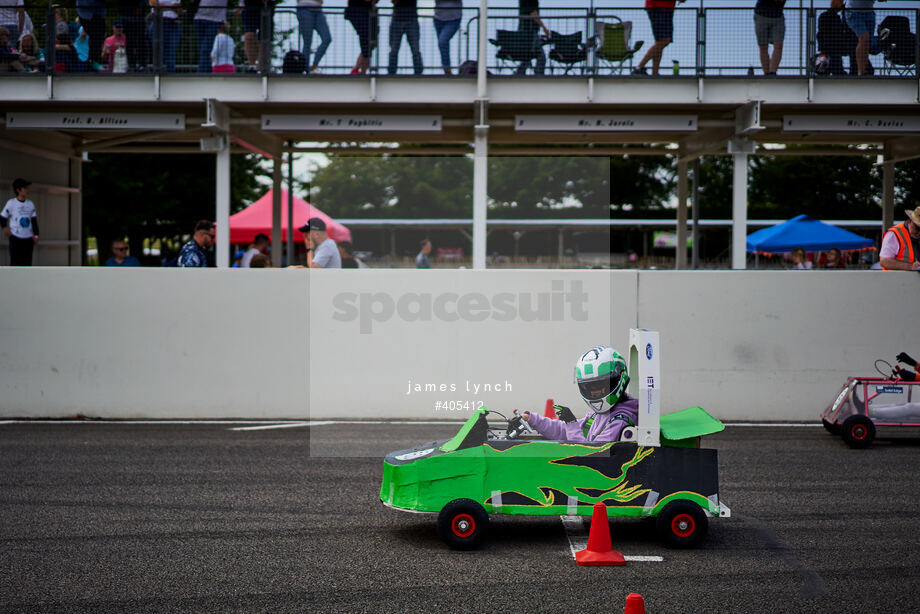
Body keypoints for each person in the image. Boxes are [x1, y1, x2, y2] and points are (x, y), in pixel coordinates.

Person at [520, 346, 639, 443]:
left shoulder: (620, 420)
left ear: (618, 380)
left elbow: (589, 456)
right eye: (589, 387)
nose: (594, 392)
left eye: (600, 386)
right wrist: (531, 419)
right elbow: (564, 431)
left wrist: (571, 423)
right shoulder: (600, 415)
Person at [832, 0, 885, 77]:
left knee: (867, 42)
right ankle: (860, 71)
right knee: (864, 37)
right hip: (853, 12)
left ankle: (864, 68)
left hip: (869, 12)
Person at [633, 0, 685, 76]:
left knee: (660, 41)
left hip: (663, 8)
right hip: (659, 7)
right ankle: (639, 67)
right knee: (664, 40)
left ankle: (654, 71)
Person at [1, 178, 38, 266]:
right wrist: (5, 228)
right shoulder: (11, 203)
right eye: (25, 188)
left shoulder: (30, 204)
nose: (27, 190)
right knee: (15, 263)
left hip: (28, 239)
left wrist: (36, 235)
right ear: (18, 190)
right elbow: (2, 217)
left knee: (27, 264)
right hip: (16, 238)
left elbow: (34, 221)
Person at [879, 207, 920, 271]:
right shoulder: (894, 234)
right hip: (894, 279)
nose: (919, 232)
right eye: (917, 228)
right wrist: (910, 267)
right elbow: (884, 261)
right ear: (910, 221)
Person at [388, 0, 422, 75]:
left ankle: (418, 73)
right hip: (397, 19)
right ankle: (391, 73)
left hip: (411, 19)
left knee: (415, 49)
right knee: (394, 49)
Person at [235, 0, 271, 72]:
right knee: (249, 36)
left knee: (264, 40)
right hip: (249, 7)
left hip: (265, 7)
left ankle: (261, 68)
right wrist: (240, 5)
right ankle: (252, 66)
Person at [515, 0, 549, 76]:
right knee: (539, 55)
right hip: (530, 33)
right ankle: (538, 73)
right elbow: (533, 14)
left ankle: (520, 72)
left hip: (526, 32)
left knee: (528, 54)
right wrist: (544, 28)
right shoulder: (531, 2)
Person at [297, 0, 331, 74]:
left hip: (318, 10)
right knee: (307, 42)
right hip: (304, 8)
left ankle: (314, 65)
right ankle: (306, 69)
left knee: (327, 38)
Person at [195, 0, 228, 73]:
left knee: (205, 49)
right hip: (199, 17)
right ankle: (207, 72)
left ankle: (201, 74)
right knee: (203, 50)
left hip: (215, 19)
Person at [345, 0, 378, 75]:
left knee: (370, 44)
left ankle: (358, 69)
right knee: (366, 43)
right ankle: (359, 70)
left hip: (368, 13)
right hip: (358, 12)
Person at [149, 0, 182, 73]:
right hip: (158, 23)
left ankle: (170, 74)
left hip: (173, 24)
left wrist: (163, 6)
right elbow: (154, 4)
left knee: (171, 54)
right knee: (158, 52)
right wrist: (172, 7)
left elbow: (179, 10)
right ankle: (157, 72)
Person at [754, 0, 785, 75]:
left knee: (778, 45)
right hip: (761, 15)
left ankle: (772, 72)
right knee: (763, 46)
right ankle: (766, 73)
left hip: (778, 17)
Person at [433, 0, 461, 74]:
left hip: (454, 19)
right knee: (442, 45)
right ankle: (446, 67)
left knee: (442, 41)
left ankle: (446, 68)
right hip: (438, 19)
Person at [75, 0, 105, 67]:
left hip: (85, 53)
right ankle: (92, 61)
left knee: (96, 39)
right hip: (82, 54)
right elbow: (83, 35)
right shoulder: (82, 27)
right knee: (95, 38)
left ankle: (94, 61)